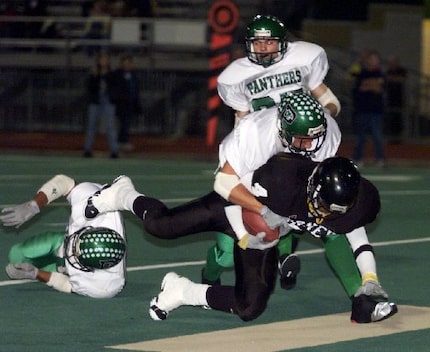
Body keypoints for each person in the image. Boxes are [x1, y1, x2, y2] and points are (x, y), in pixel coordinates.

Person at [83, 156, 397, 323]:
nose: (325, 216)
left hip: (263, 236)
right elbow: (232, 189)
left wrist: (369, 278)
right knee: (161, 227)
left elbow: (353, 231)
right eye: (323, 206)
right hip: (238, 208)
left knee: (250, 308)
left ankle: (182, 291)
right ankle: (123, 193)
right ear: (312, 186)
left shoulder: (358, 202)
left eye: (334, 211)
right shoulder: (282, 178)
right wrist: (258, 220)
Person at [204, 14, 342, 288]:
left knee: (293, 202)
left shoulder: (303, 58)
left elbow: (329, 101)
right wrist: (242, 155)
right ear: (249, 44)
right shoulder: (236, 76)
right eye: (259, 42)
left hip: (295, 145)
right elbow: (242, 120)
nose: (264, 47)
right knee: (229, 250)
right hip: (261, 144)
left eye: (270, 41)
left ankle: (284, 255)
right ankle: (210, 274)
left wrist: (316, 122)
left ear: (282, 43)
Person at [0, 175, 126, 298]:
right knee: (17, 253)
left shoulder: (104, 287)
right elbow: (64, 182)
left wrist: (36, 274)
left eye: (77, 255)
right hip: (61, 241)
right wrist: (33, 206)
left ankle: (57, 265)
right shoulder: (96, 203)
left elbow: (68, 285)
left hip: (64, 267)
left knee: (19, 263)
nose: (70, 252)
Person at [351, 50, 386, 167]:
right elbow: (361, 88)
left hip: (376, 110)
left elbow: (379, 89)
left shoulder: (380, 73)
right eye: (371, 59)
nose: (373, 62)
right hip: (362, 109)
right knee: (360, 137)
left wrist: (369, 85)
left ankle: (380, 159)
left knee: (378, 137)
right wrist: (373, 84)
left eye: (375, 59)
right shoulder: (362, 73)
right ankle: (358, 158)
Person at [83, 52, 120, 159]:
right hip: (95, 101)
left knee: (110, 126)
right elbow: (90, 87)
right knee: (91, 126)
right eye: (101, 59)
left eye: (105, 59)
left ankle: (114, 150)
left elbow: (114, 85)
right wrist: (95, 76)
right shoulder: (94, 72)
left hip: (108, 100)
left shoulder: (112, 73)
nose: (103, 62)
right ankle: (87, 149)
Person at [113, 53, 141, 151]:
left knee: (127, 123)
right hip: (121, 103)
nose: (127, 65)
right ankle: (122, 141)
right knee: (123, 123)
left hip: (131, 103)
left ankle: (121, 141)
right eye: (125, 63)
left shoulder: (133, 74)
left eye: (129, 63)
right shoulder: (118, 74)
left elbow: (135, 89)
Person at [385, 56, 407, 142]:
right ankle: (391, 136)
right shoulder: (389, 71)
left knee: (399, 117)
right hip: (390, 98)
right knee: (391, 117)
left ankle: (399, 137)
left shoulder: (401, 70)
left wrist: (392, 79)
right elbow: (386, 79)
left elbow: (403, 79)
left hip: (399, 98)